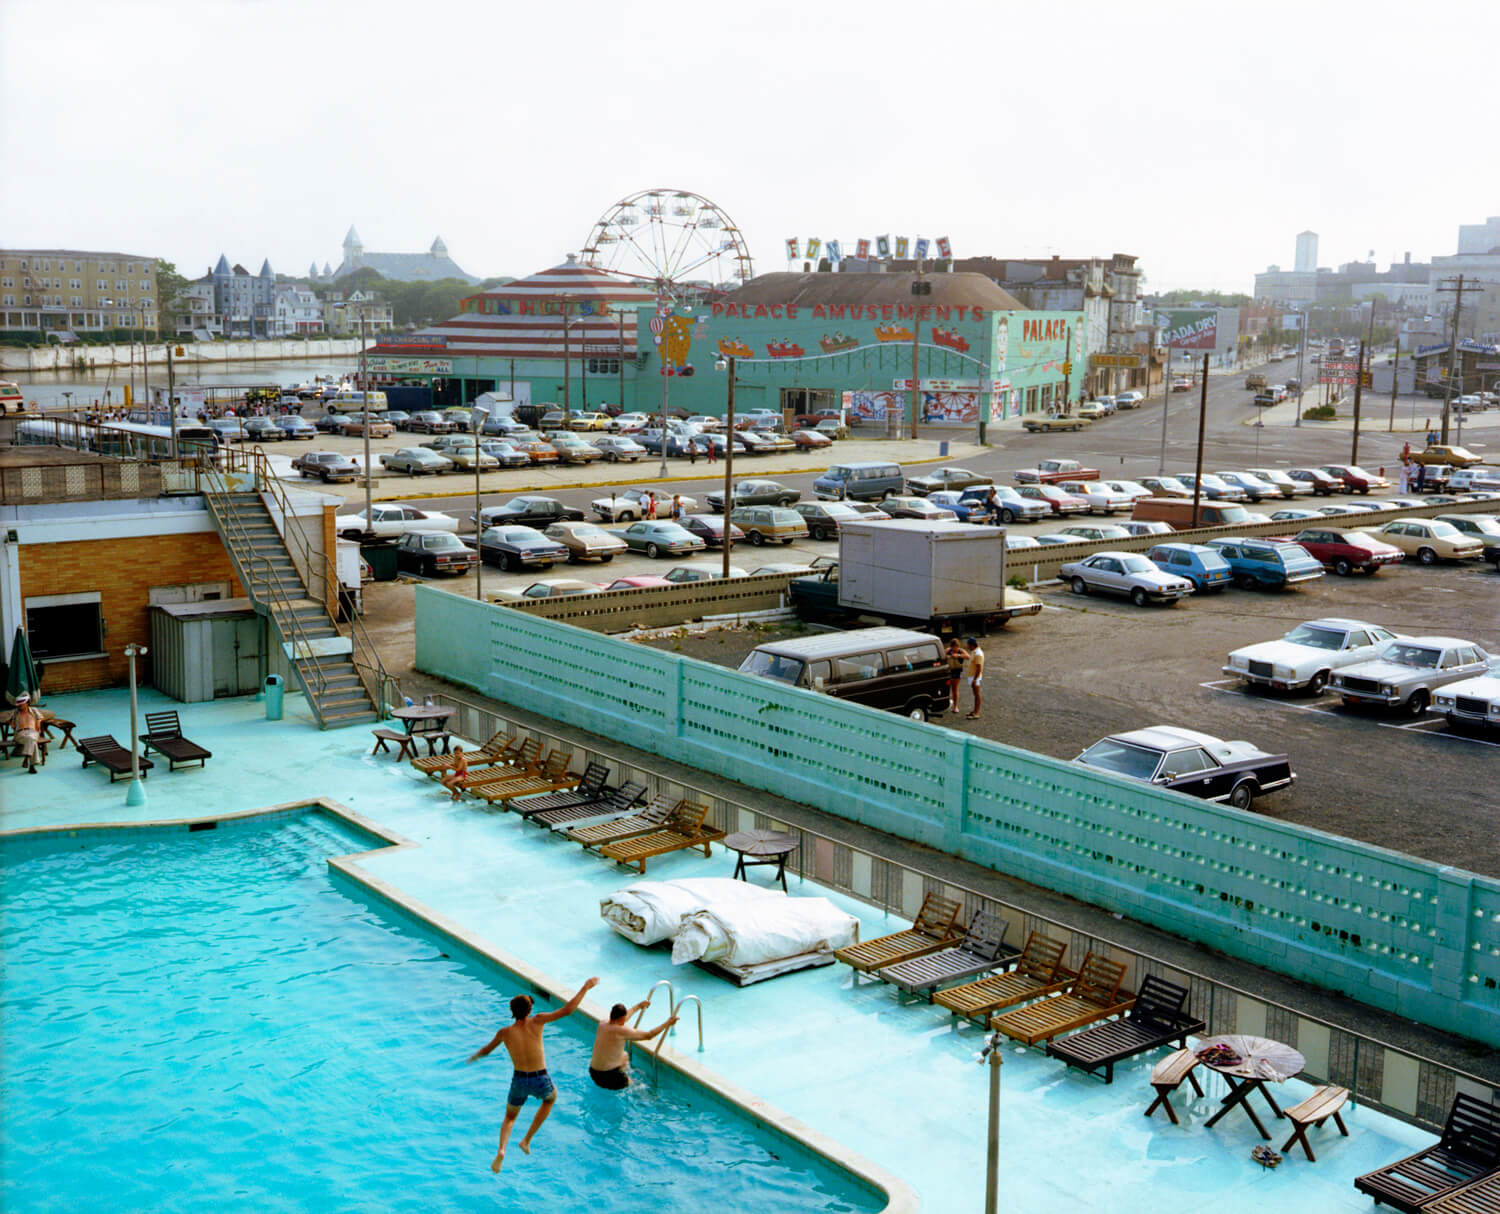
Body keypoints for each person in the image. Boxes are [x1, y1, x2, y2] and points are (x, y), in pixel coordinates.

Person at [469, 976, 599, 1173]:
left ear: (512, 1012)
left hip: (519, 1080)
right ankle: (526, 1140)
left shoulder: (504, 1032)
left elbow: (486, 1050)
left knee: (509, 1118)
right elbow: (568, 1010)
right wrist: (585, 987)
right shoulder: (537, 1021)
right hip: (540, 1077)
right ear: (530, 1011)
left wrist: (474, 1056)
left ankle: (502, 1149)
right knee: (550, 1099)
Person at [589, 1000, 678, 1090]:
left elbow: (621, 1020)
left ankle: (623, 1073)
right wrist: (668, 1023)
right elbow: (649, 1035)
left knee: (625, 1055)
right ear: (621, 1019)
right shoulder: (621, 1031)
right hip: (609, 1076)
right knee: (637, 1088)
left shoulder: (603, 1023)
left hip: (593, 1072)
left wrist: (638, 1006)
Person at [11, 693, 42, 774]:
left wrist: (38, 723)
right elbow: (12, 724)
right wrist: (12, 723)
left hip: (32, 732)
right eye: (18, 704)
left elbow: (39, 719)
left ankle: (26, 759)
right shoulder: (16, 712)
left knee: (31, 738)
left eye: (22, 703)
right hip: (20, 733)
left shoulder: (34, 710)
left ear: (27, 702)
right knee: (32, 741)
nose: (19, 705)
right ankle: (31, 764)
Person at [964, 637, 986, 720]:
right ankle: (974, 711)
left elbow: (979, 668)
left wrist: (975, 679)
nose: (967, 646)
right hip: (972, 676)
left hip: (974, 677)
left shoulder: (978, 654)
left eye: (968, 645)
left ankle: (976, 713)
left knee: (977, 695)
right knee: (975, 694)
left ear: (972, 645)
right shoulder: (974, 652)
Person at [944, 639, 968, 714]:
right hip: (949, 672)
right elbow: (942, 656)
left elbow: (968, 656)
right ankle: (946, 704)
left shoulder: (961, 651)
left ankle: (955, 706)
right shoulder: (948, 650)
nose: (955, 649)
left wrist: (958, 655)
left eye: (956, 647)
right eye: (953, 647)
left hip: (957, 672)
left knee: (955, 689)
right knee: (947, 689)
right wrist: (947, 656)